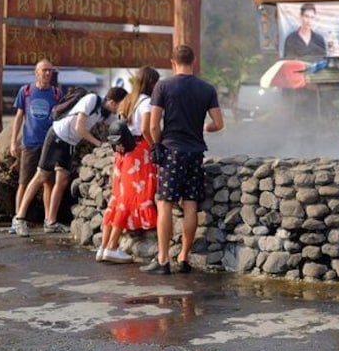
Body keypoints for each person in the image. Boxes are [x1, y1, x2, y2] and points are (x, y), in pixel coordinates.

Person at [141, 45, 224, 275]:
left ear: (172, 62)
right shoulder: (207, 89)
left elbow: (153, 125)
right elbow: (219, 124)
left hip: (172, 151)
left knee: (165, 203)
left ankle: (163, 259)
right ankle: (184, 257)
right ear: (194, 61)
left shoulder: (163, 86)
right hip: (195, 152)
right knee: (190, 204)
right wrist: (203, 126)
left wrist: (157, 144)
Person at [12, 87, 128, 237]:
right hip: (57, 136)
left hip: (70, 143)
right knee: (41, 175)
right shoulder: (92, 99)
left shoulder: (105, 113)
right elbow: (78, 127)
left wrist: (125, 119)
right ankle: (19, 217)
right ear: (112, 102)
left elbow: (119, 124)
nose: (118, 108)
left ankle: (51, 221)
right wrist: (98, 144)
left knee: (62, 181)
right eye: (119, 105)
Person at [98, 66, 161, 264]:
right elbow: (146, 128)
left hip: (123, 153)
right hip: (138, 152)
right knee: (130, 199)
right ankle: (112, 246)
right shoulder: (147, 102)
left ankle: (103, 246)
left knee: (117, 199)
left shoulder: (127, 100)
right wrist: (155, 147)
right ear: (151, 83)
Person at [8, 59, 63, 235]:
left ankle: (49, 220)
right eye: (44, 70)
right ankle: (18, 219)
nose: (47, 73)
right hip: (30, 143)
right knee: (24, 182)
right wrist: (13, 141)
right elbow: (19, 116)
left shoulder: (56, 93)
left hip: (50, 144)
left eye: (50, 71)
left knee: (48, 182)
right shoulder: (26, 91)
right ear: (36, 72)